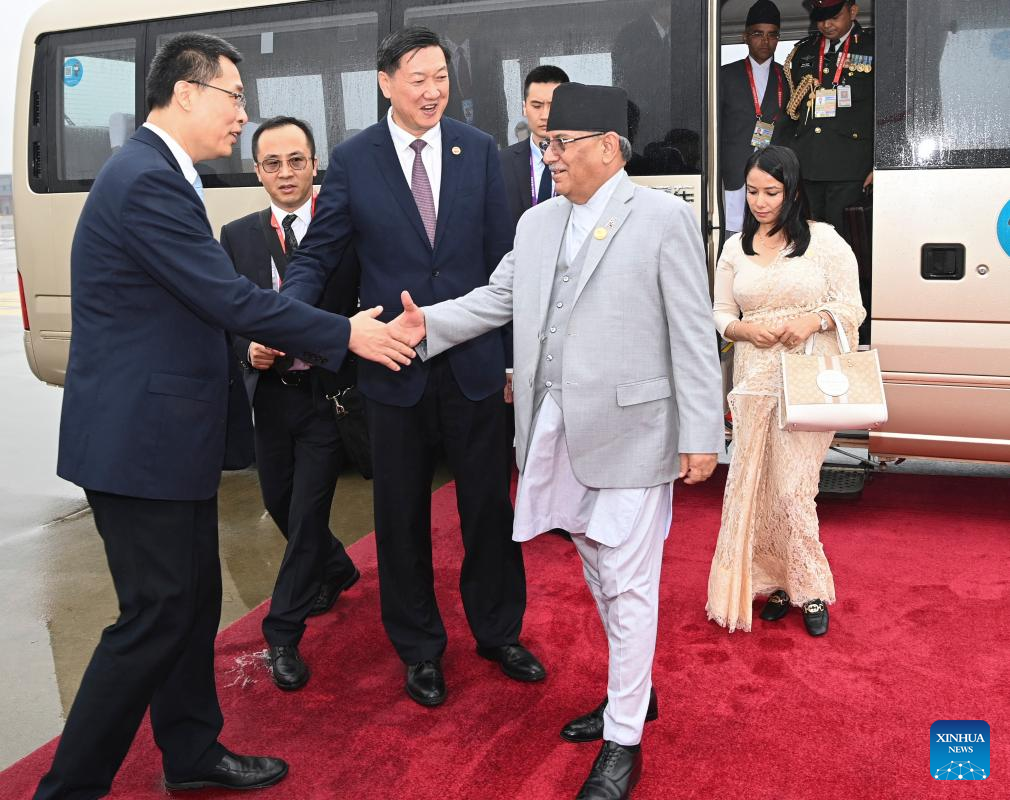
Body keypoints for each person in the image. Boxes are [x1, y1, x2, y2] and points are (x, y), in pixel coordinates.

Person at [36, 33, 414, 800]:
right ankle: (67, 789)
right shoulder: (146, 180)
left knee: (193, 602)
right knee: (156, 615)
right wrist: (345, 334)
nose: (244, 113)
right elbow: (229, 299)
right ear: (186, 93)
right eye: (234, 96)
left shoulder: (160, 173)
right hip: (137, 444)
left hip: (166, 439)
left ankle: (192, 753)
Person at [390, 83, 724, 800]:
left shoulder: (662, 218)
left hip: (636, 431)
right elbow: (499, 298)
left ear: (608, 147)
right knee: (598, 569)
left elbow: (694, 332)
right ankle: (634, 692)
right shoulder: (538, 222)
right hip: (555, 432)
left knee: (628, 581)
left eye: (561, 143)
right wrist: (428, 325)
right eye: (546, 143)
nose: (549, 155)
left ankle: (623, 739)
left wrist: (703, 433)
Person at [276, 27, 544, 707]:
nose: (432, 91)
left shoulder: (478, 150)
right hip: (393, 368)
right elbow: (319, 255)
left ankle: (499, 632)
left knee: (488, 508)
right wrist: (285, 314)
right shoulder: (354, 160)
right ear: (385, 82)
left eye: (441, 77)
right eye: (418, 79)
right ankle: (420, 649)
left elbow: (505, 262)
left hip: (473, 364)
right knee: (400, 519)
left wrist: (512, 363)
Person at [220, 116, 361, 692]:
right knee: (278, 501)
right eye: (272, 163)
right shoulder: (237, 236)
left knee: (305, 517)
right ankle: (338, 566)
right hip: (272, 400)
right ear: (257, 171)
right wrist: (246, 348)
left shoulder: (343, 228)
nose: (285, 173)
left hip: (327, 398)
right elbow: (226, 314)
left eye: (296, 161)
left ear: (314, 164)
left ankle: (282, 632)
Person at [706, 145, 865, 637]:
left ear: (792, 192)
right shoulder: (735, 248)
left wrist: (813, 320)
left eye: (771, 192)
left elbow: (853, 308)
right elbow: (720, 311)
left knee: (794, 487)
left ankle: (811, 587)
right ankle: (776, 582)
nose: (760, 202)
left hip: (807, 378)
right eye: (753, 191)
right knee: (759, 485)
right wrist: (742, 330)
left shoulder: (825, 241)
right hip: (754, 377)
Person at [772, 0, 874, 232]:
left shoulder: (873, 48)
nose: (826, 25)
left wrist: (879, 165)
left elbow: (889, 112)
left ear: (853, 11)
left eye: (834, 17)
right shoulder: (804, 52)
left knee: (843, 241)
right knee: (808, 238)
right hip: (807, 166)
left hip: (852, 168)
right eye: (820, 19)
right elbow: (790, 112)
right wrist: (784, 162)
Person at [720, 0, 786, 235]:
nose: (765, 41)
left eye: (772, 35)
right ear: (745, 36)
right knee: (734, 238)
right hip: (734, 175)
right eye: (758, 34)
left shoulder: (787, 77)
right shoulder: (724, 75)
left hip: (774, 176)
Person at [499, 65, 570, 228]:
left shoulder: (582, 160)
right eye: (537, 106)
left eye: (553, 105)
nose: (545, 115)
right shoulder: (500, 163)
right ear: (524, 108)